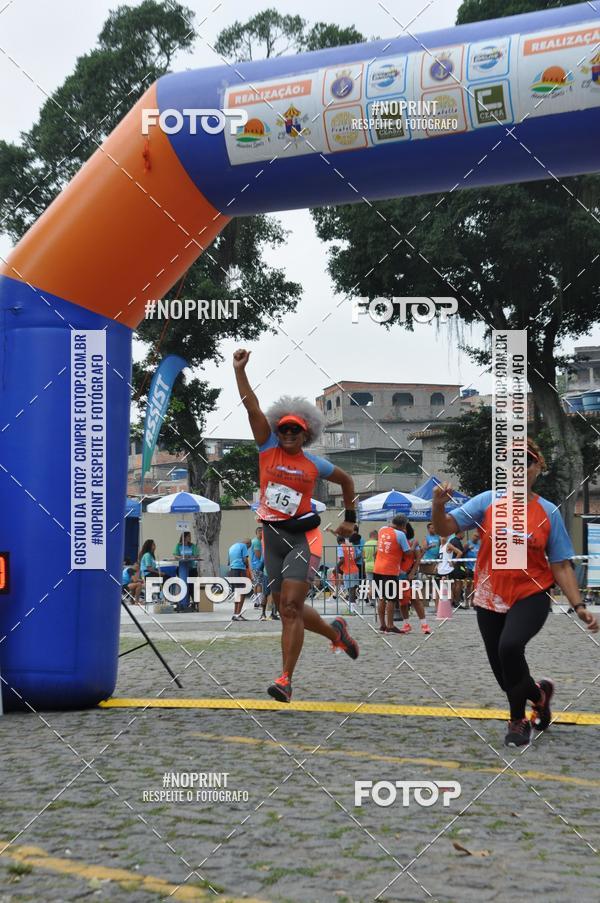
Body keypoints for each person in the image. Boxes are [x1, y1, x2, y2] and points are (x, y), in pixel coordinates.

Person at [432, 438, 599, 747]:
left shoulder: (548, 512)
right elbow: (444, 529)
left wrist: (579, 606)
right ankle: (539, 695)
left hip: (531, 593)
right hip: (489, 595)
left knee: (510, 647)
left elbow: (561, 565)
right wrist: (438, 506)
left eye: (527, 462)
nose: (519, 468)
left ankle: (517, 721)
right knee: (504, 674)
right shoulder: (487, 502)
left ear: (538, 468)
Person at [234, 348, 359, 702]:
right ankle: (336, 632)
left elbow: (348, 482)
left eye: (296, 430)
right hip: (270, 536)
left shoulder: (314, 464)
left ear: (306, 435)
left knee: (290, 607)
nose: (289, 434)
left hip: (302, 537)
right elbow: (250, 405)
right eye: (285, 429)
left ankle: (285, 680)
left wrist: (350, 520)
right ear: (278, 430)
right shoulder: (266, 448)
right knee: (285, 607)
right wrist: (239, 370)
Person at [373, 515, 412, 634]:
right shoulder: (400, 535)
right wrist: (415, 546)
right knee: (391, 598)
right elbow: (408, 552)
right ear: (403, 525)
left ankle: (382, 625)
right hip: (390, 570)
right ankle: (390, 625)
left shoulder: (382, 530)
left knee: (381, 597)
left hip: (377, 568)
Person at [398, 534, 430, 635]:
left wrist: (412, 572)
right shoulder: (397, 541)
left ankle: (424, 624)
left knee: (416, 599)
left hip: (412, 574)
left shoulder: (413, 542)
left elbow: (418, 558)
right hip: (399, 575)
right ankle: (406, 624)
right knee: (403, 601)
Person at [228, 538, 251, 621]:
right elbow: (245, 560)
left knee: (237, 592)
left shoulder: (232, 547)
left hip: (232, 571)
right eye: (249, 547)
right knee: (243, 592)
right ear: (248, 544)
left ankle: (235, 614)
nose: (248, 549)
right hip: (240, 570)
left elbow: (228, 562)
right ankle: (238, 614)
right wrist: (247, 566)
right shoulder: (244, 546)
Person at [337, 535, 360, 610]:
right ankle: (353, 605)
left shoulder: (340, 547)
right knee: (353, 588)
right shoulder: (351, 547)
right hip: (355, 569)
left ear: (338, 542)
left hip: (348, 570)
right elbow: (357, 556)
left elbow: (342, 559)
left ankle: (351, 608)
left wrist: (336, 567)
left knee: (350, 589)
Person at [464, 528, 481, 607]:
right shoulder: (467, 543)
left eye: (477, 537)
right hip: (468, 567)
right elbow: (462, 553)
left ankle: (472, 601)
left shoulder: (479, 545)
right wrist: (467, 549)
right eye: (474, 536)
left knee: (475, 586)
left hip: (476, 568)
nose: (475, 538)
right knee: (468, 585)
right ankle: (466, 601)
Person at [362, 530, 378, 604]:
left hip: (368, 566)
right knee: (378, 583)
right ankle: (378, 599)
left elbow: (364, 556)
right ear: (375, 535)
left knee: (370, 584)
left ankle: (372, 601)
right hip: (377, 565)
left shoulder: (366, 544)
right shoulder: (378, 543)